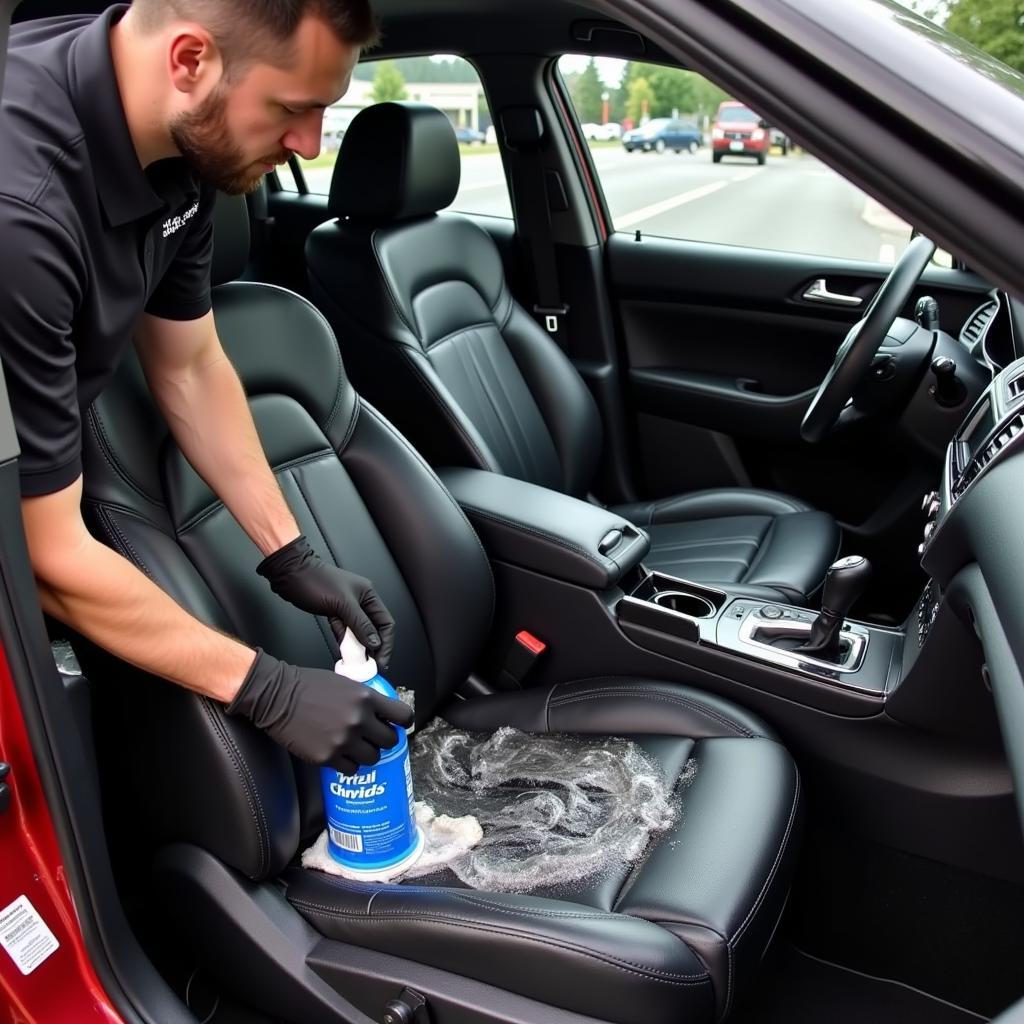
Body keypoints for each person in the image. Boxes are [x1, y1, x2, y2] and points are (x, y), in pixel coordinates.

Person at [0, 0, 413, 775]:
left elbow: (188, 363)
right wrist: (267, 689)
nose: (310, 144)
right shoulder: (21, 213)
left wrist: (289, 553)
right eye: (292, 109)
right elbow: (41, 550)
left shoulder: (181, 140)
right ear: (189, 60)